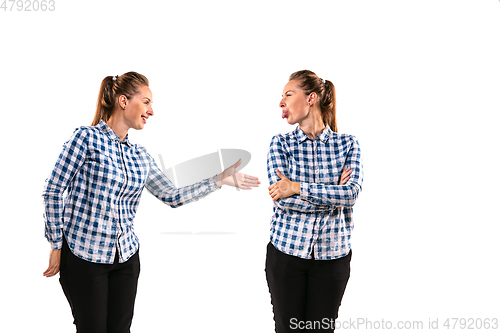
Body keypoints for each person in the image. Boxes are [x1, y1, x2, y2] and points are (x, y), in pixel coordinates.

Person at [42, 71, 260, 333]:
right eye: (146, 102)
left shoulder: (140, 155)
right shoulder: (86, 139)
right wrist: (56, 244)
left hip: (126, 258)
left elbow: (172, 196)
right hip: (84, 257)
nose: (151, 111)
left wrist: (217, 181)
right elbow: (53, 190)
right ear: (124, 101)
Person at [266, 70, 363, 332]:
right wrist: (334, 194)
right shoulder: (280, 144)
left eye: (288, 94)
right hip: (286, 255)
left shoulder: (348, 144)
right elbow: (283, 202)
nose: (281, 102)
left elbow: (352, 193)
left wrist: (296, 187)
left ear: (311, 99)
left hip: (333, 258)